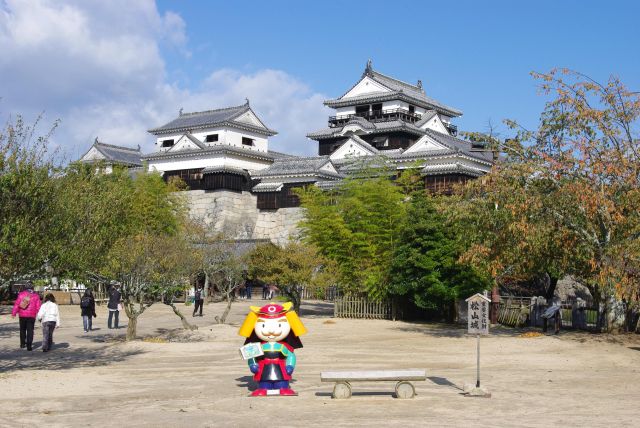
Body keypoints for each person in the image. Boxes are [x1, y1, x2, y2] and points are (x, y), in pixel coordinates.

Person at [11, 282, 42, 351]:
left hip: (22, 315)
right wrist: (40, 316)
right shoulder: (36, 296)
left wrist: (14, 313)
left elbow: (17, 304)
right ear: (32, 287)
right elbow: (38, 307)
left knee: (22, 330)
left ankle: (22, 344)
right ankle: (29, 346)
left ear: (25, 287)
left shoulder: (21, 294)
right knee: (30, 330)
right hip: (31, 315)